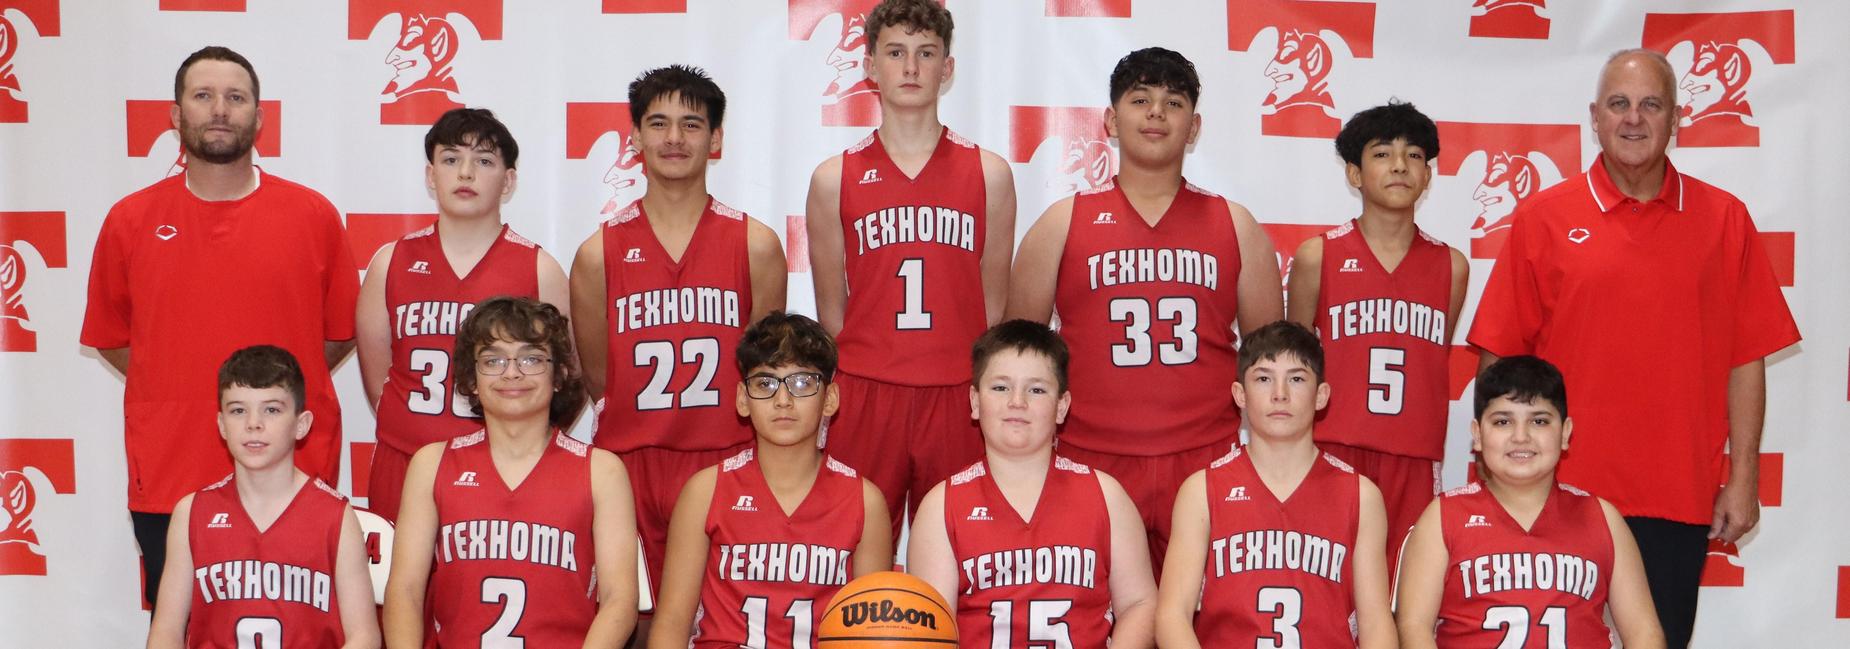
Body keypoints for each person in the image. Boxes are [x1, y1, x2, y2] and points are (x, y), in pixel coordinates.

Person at [1467, 48, 1799, 648]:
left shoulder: (1725, 219)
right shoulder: (1542, 217)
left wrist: (1743, 473)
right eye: (1619, 104)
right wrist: (1492, 467)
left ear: (1677, 118)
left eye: (1651, 104)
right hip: (1559, 489)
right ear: (1594, 117)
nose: (1633, 119)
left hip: (1677, 491)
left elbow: (1746, 357)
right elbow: (1500, 363)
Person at [81, 45, 360, 610]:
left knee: (303, 629)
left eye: (236, 98)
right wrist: (173, 381)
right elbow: (113, 338)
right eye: (202, 96)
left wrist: (269, 400)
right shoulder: (129, 221)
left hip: (294, 476)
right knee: (181, 629)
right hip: (170, 472)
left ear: (259, 117)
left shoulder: (313, 216)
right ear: (175, 115)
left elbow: (336, 334)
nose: (219, 110)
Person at [1007, 47, 1282, 571]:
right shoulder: (1062, 223)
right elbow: (1019, 358)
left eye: (1172, 102)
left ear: (1194, 125)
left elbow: (1270, 361)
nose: (1156, 113)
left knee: (1205, 616)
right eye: (1140, 99)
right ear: (1111, 119)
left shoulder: (1235, 225)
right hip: (1090, 455)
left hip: (1207, 456)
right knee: (1095, 610)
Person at [569, 64, 787, 602]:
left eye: (691, 125)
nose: (673, 138)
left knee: (723, 619)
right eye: (658, 123)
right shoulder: (598, 254)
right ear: (635, 137)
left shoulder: (756, 245)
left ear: (716, 139)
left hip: (727, 457)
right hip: (628, 463)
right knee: (630, 620)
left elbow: (764, 370)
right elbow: (598, 377)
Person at [804, 0, 1016, 535]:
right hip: (867, 389)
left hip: (957, 390)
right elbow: (834, 312)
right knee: (851, 545)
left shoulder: (988, 173)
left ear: (948, 68)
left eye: (926, 54)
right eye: (896, 53)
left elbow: (991, 302)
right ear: (870, 66)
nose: (911, 68)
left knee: (964, 548)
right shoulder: (834, 178)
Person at [382, 297, 637, 647]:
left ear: (559, 374)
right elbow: (405, 591)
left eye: (531, 358)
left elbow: (619, 601)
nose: (512, 372)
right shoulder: (431, 464)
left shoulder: (602, 472)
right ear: (470, 379)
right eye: (493, 360)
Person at [355, 107, 570, 522]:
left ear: (508, 181)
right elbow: (380, 382)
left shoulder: (539, 269)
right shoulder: (390, 263)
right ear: (430, 175)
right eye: (451, 159)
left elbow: (562, 380)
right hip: (403, 462)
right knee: (399, 587)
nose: (465, 173)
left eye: (484, 161)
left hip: (501, 467)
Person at [1285, 101, 1468, 569]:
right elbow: (1295, 365)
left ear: (1428, 175)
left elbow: (1433, 354)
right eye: (1382, 153)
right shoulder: (1317, 256)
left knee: (1402, 592)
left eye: (1413, 155)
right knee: (1325, 586)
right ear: (1354, 173)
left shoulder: (1451, 266)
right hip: (1333, 447)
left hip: (1413, 454)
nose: (1400, 166)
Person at [907, 320, 1157, 647]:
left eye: (1036, 389)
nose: (1017, 402)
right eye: (1000, 387)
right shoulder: (942, 505)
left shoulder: (1105, 495)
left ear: (1062, 406)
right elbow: (931, 633)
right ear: (974, 401)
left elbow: (1141, 603)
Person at [649, 312, 891, 648]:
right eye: (765, 383)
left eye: (803, 382)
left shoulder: (865, 502)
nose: (783, 400)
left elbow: (871, 637)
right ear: (742, 399)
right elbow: (673, 622)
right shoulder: (705, 491)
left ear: (830, 399)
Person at [1394, 355, 1665, 649]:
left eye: (1539, 421)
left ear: (1565, 433)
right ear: (1477, 435)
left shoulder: (1602, 518)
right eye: (1502, 421)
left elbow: (1644, 633)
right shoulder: (1443, 517)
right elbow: (1413, 628)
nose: (1520, 437)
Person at [1154, 321, 1394, 648]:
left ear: (1321, 395)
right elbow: (1172, 615)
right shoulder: (1201, 490)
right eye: (1264, 378)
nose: (1280, 394)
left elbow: (1376, 623)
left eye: (1296, 379)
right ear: (1240, 393)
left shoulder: (1361, 496)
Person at [146, 345, 380, 649]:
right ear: (221, 425)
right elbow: (166, 631)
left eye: (271, 409)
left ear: (301, 424)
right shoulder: (192, 513)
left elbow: (364, 636)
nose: (253, 424)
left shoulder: (335, 517)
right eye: (238, 410)